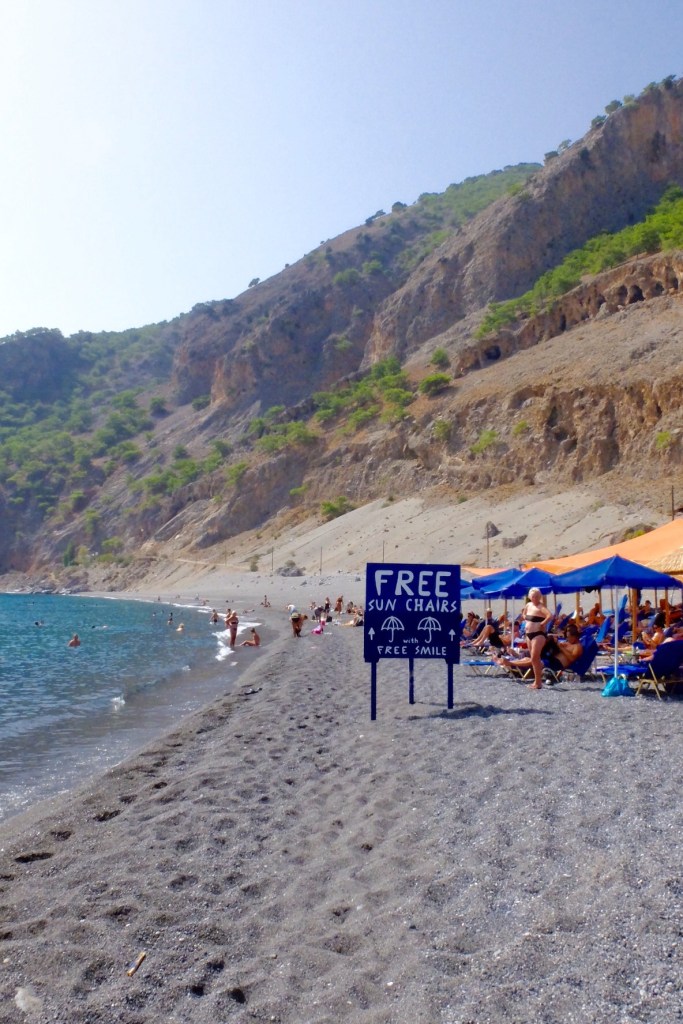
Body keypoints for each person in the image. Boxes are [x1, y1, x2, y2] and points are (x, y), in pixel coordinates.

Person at [521, 587, 554, 689]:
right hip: (528, 634)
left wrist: (543, 623)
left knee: (535, 657)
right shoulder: (528, 605)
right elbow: (523, 613)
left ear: (539, 597)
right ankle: (538, 680)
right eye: (533, 596)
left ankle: (538, 682)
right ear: (530, 597)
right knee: (533, 659)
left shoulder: (540, 606)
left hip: (538, 634)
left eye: (537, 596)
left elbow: (550, 616)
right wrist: (526, 619)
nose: (535, 598)